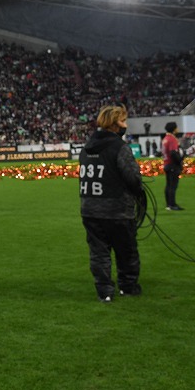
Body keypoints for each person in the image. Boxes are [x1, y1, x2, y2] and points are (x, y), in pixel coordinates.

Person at [79, 104, 143, 303]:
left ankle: (104, 291)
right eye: (123, 121)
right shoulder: (119, 147)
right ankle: (128, 287)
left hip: (90, 209)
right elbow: (133, 178)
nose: (125, 125)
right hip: (117, 210)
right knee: (126, 251)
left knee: (99, 253)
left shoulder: (86, 147)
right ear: (114, 124)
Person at [161, 121, 183, 210]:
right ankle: (172, 204)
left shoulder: (165, 138)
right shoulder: (172, 139)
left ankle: (168, 204)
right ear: (174, 129)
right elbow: (173, 152)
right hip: (172, 164)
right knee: (172, 186)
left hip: (166, 163)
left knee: (168, 185)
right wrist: (179, 160)